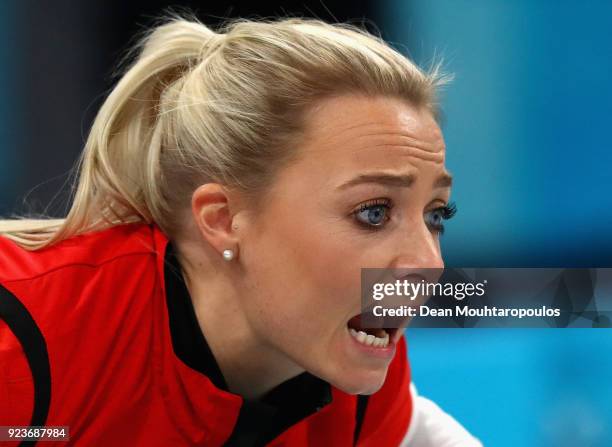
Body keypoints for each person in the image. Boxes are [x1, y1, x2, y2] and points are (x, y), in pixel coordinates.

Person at [0, 15, 482, 446]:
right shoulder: (21, 345)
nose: (428, 263)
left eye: (436, 215)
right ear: (222, 219)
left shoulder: (356, 375)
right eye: (373, 213)